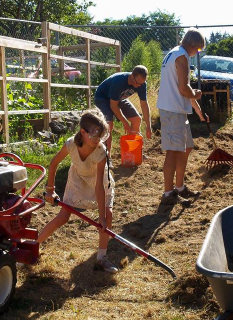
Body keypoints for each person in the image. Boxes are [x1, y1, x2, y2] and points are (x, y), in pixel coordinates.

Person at [39, 108, 118, 273]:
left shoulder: (101, 151)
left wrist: (102, 218)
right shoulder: (71, 145)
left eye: (101, 136)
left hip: (100, 181)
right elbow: (53, 164)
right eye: (95, 137)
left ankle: (101, 258)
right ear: (83, 132)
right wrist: (50, 190)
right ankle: (34, 245)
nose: (98, 140)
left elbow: (99, 186)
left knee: (108, 216)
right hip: (77, 179)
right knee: (62, 217)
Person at [156, 28, 207, 206]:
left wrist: (200, 112)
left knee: (186, 148)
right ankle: (168, 193)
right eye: (199, 49)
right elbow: (185, 90)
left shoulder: (174, 53)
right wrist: (197, 95)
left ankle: (180, 187)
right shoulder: (181, 56)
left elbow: (184, 91)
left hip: (177, 110)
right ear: (193, 44)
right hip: (172, 111)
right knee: (173, 151)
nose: (197, 53)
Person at [94, 65, 152, 155]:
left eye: (141, 84)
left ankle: (133, 152)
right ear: (132, 76)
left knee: (137, 119)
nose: (138, 86)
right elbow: (113, 106)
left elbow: (144, 104)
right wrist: (125, 122)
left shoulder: (141, 84)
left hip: (119, 98)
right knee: (109, 124)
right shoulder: (119, 82)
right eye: (137, 83)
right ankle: (106, 158)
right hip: (102, 98)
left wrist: (148, 125)